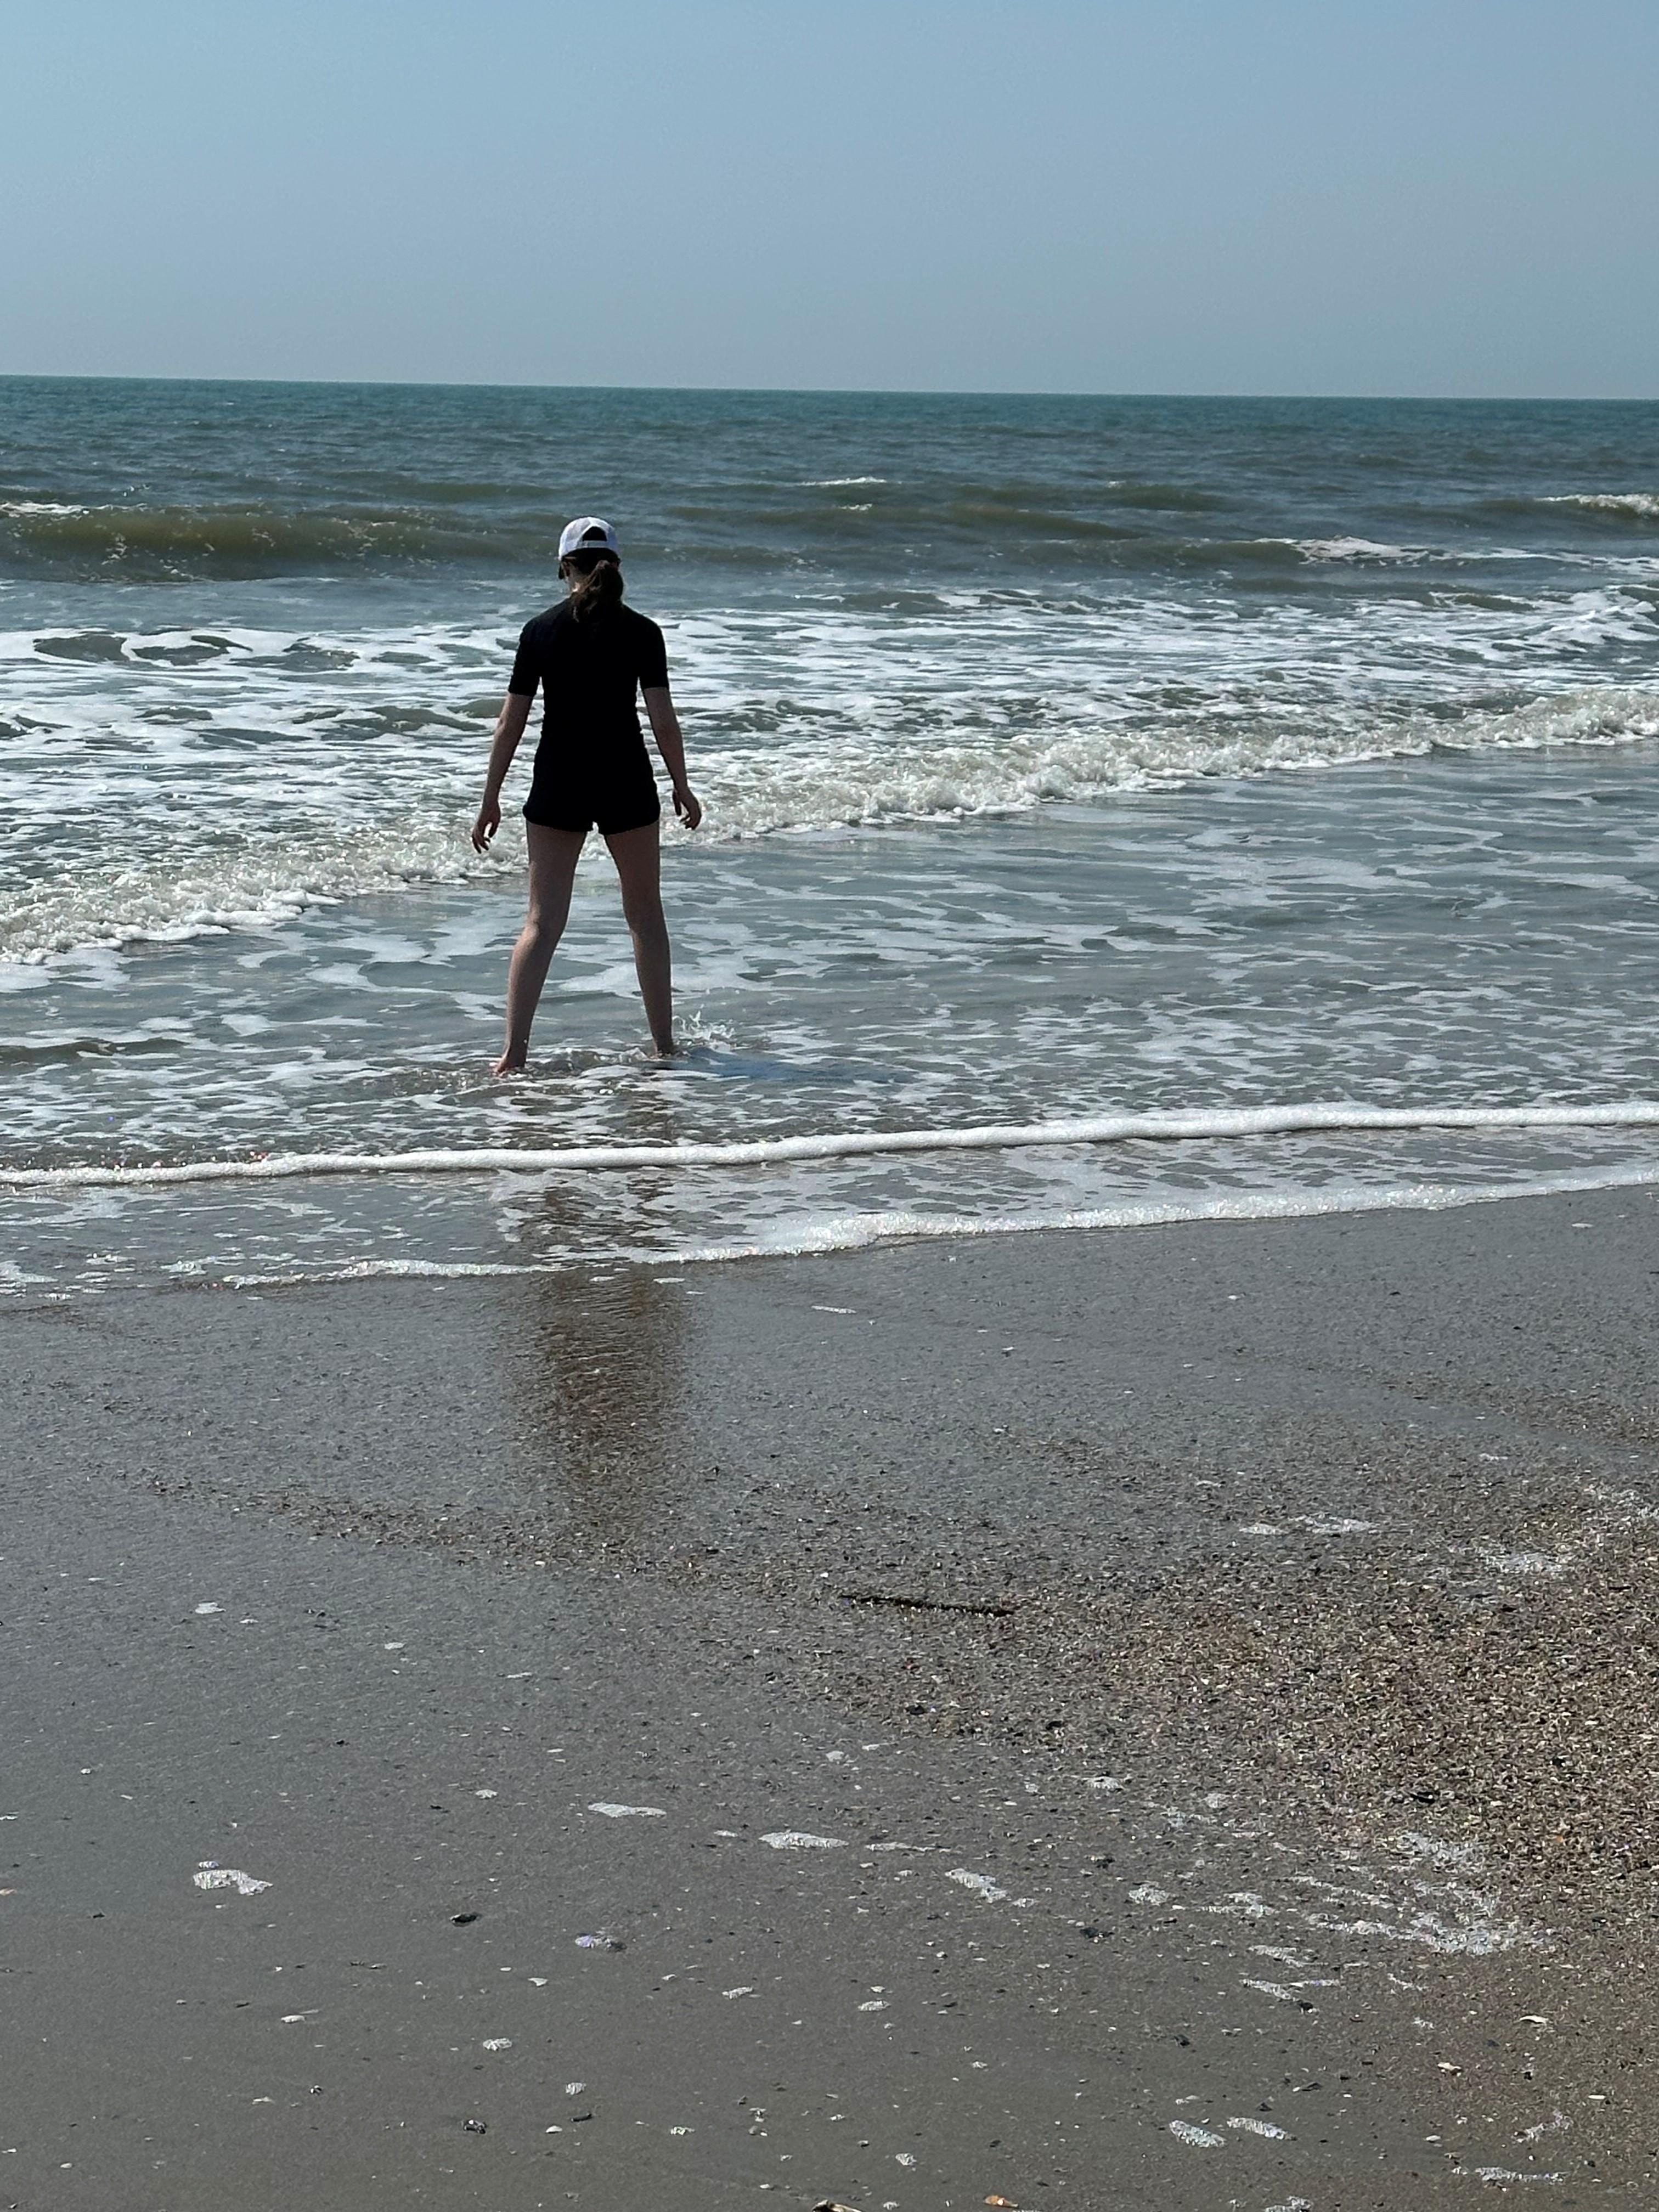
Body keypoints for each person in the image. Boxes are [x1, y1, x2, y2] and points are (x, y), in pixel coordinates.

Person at [471, 517, 702, 1071]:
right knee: (645, 917)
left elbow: (509, 724)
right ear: (616, 566)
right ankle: (664, 1047)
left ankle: (513, 1054)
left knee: (541, 923)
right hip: (626, 777)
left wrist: (490, 797)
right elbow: (663, 720)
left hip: (560, 779)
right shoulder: (643, 632)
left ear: (563, 567)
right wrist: (681, 783)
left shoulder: (540, 631)